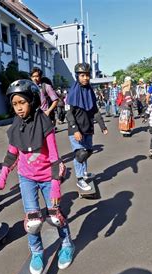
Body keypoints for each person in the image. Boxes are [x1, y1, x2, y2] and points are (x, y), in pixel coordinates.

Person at [0, 79, 74, 274]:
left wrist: (55, 185)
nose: (19, 108)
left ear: (32, 100)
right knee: (33, 220)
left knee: (55, 216)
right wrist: (2, 177)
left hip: (47, 177)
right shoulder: (15, 127)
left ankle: (66, 244)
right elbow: (12, 154)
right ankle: (37, 252)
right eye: (14, 104)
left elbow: (55, 157)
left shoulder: (44, 123)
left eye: (22, 102)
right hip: (27, 178)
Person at [65, 63, 108, 191]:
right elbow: (69, 114)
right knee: (81, 153)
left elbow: (95, 110)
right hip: (76, 130)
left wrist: (102, 126)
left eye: (87, 75)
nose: (85, 78)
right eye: (82, 75)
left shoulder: (90, 91)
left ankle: (84, 173)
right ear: (77, 76)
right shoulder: (72, 92)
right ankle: (79, 179)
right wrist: (75, 130)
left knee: (88, 151)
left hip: (88, 128)